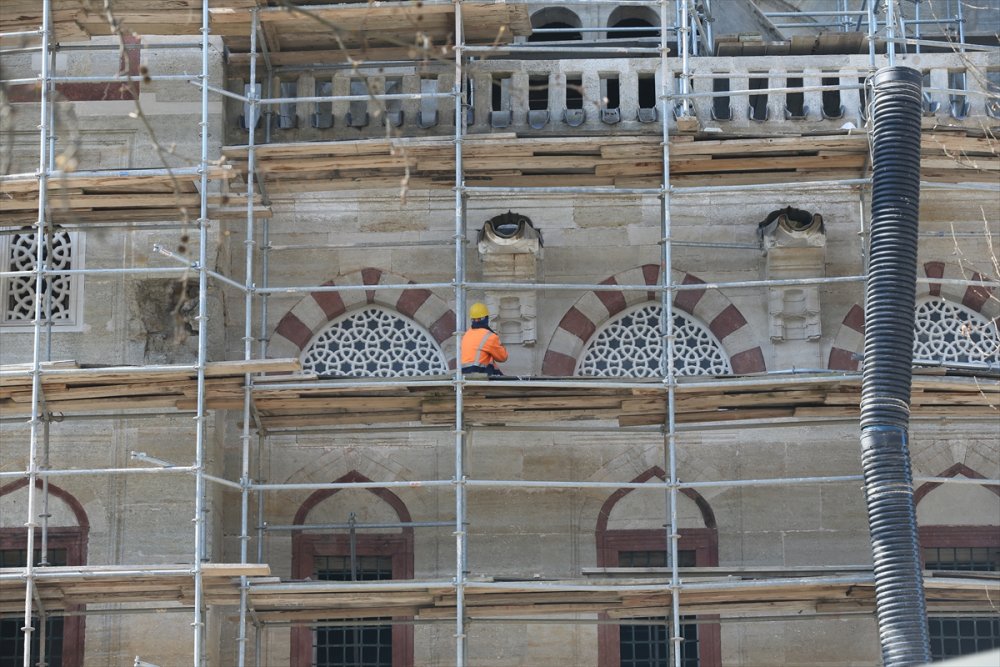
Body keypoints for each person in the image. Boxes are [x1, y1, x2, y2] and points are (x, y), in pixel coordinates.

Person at [461, 302, 508, 376]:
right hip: (478, 374)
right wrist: (499, 342)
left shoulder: (467, 334)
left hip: (463, 375)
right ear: (486, 318)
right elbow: (503, 357)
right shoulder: (489, 336)